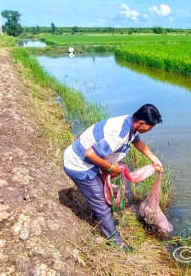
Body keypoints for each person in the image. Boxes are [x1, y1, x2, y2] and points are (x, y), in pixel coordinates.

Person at [63, 104, 163, 252]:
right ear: (141, 123)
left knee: (104, 192)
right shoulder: (119, 135)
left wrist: (154, 159)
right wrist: (111, 167)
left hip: (87, 162)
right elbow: (90, 154)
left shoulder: (130, 123)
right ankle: (116, 242)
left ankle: (99, 220)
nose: (150, 130)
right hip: (79, 165)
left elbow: (138, 143)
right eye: (150, 127)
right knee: (102, 205)